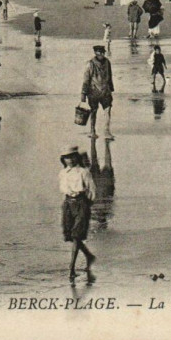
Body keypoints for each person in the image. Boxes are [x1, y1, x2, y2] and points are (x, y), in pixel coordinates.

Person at [58, 145, 96, 283]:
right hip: (68, 204)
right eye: (67, 158)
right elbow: (63, 189)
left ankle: (71, 268)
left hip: (81, 203)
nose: (70, 160)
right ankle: (89, 256)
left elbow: (92, 191)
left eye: (72, 157)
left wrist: (86, 206)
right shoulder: (62, 173)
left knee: (76, 236)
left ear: (77, 157)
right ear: (63, 159)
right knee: (71, 235)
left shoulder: (83, 172)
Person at [81, 45, 114, 139]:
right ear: (96, 53)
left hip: (105, 91)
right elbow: (86, 80)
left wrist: (111, 88)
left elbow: (110, 76)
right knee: (93, 112)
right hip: (93, 92)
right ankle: (92, 131)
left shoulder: (107, 62)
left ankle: (107, 131)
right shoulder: (90, 64)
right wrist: (83, 93)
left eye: (103, 52)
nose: (102, 54)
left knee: (107, 111)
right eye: (100, 52)